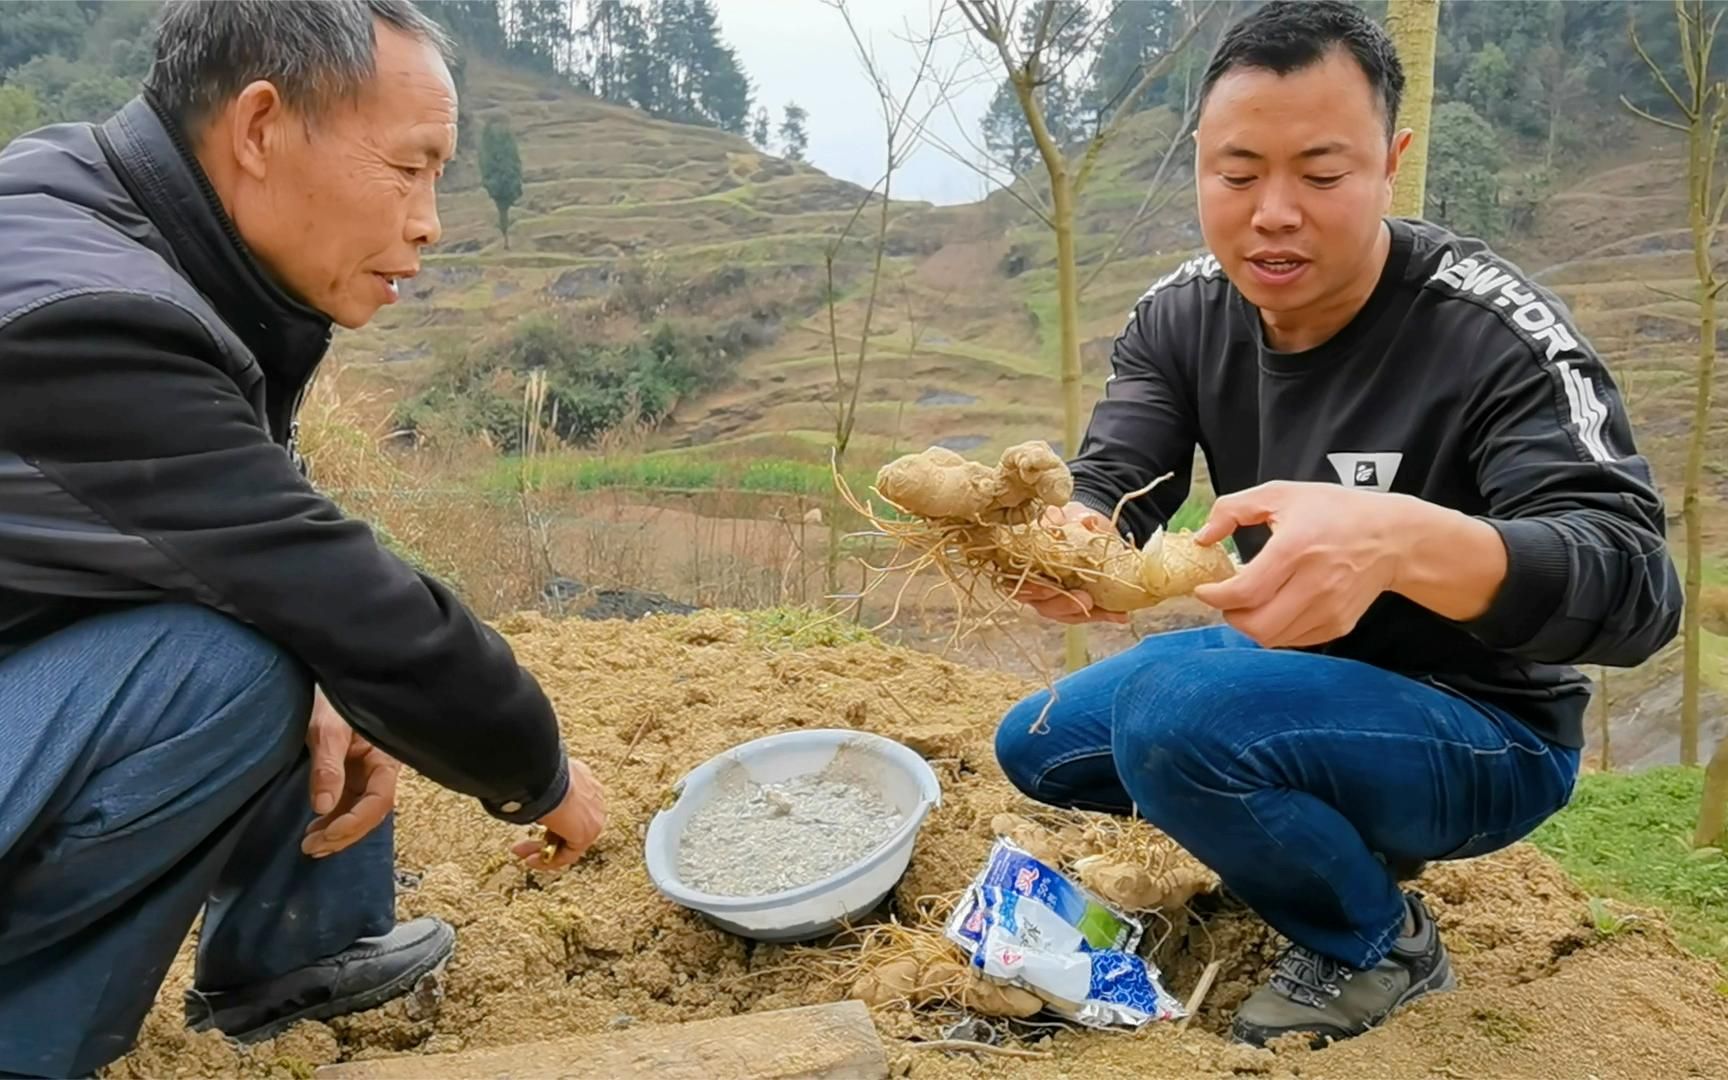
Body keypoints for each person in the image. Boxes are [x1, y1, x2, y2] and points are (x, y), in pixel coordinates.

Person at [995, 0, 1681, 1049]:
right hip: (1288, 673)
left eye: (1321, 176)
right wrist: (1075, 536)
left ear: (1391, 162)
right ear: (1198, 166)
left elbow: (1638, 588)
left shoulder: (1489, 331)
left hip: (1483, 723)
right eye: (1237, 174)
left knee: (1176, 718)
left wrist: (1403, 539)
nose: (1274, 212)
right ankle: (1294, 830)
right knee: (1038, 744)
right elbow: (1116, 477)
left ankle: (1376, 938)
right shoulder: (1182, 315)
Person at [0, 2, 606, 1075]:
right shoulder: (87, 317)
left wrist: (330, 656)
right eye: (409, 169)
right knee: (244, 651)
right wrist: (538, 768)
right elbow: (327, 589)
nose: (429, 222)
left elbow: (254, 532)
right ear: (262, 128)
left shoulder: (105, 207)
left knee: (278, 621)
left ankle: (297, 956)